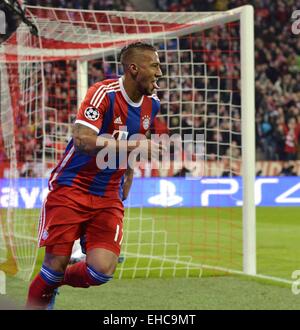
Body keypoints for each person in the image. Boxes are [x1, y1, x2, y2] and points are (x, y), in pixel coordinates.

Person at [26, 42, 163, 309]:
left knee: (101, 270)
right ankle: (49, 282)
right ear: (134, 68)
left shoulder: (152, 105)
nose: (159, 72)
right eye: (155, 65)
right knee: (54, 265)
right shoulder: (103, 93)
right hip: (71, 186)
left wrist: (129, 173)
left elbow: (137, 139)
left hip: (109, 193)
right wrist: (134, 146)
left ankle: (54, 283)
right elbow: (82, 141)